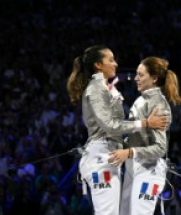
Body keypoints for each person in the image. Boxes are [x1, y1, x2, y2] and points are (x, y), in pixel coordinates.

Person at [67, 45, 168, 215]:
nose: (115, 64)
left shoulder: (105, 89)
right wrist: (145, 124)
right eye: (110, 60)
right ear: (98, 65)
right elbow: (110, 125)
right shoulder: (95, 89)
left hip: (109, 156)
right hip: (101, 157)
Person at [109, 56, 181, 215]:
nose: (136, 78)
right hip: (133, 167)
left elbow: (160, 148)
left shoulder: (158, 105)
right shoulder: (141, 100)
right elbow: (136, 137)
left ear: (154, 78)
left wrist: (129, 152)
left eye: (141, 75)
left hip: (149, 171)